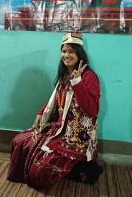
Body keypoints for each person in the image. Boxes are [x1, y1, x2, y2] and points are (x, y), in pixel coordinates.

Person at [7, 32, 102, 189]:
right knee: (20, 140)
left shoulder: (89, 76)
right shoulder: (64, 74)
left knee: (38, 173)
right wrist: (40, 112)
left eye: (71, 51)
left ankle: (74, 165)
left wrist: (77, 82)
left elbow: (92, 111)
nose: (66, 55)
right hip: (58, 128)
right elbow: (57, 99)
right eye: (64, 51)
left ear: (80, 54)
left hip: (76, 138)